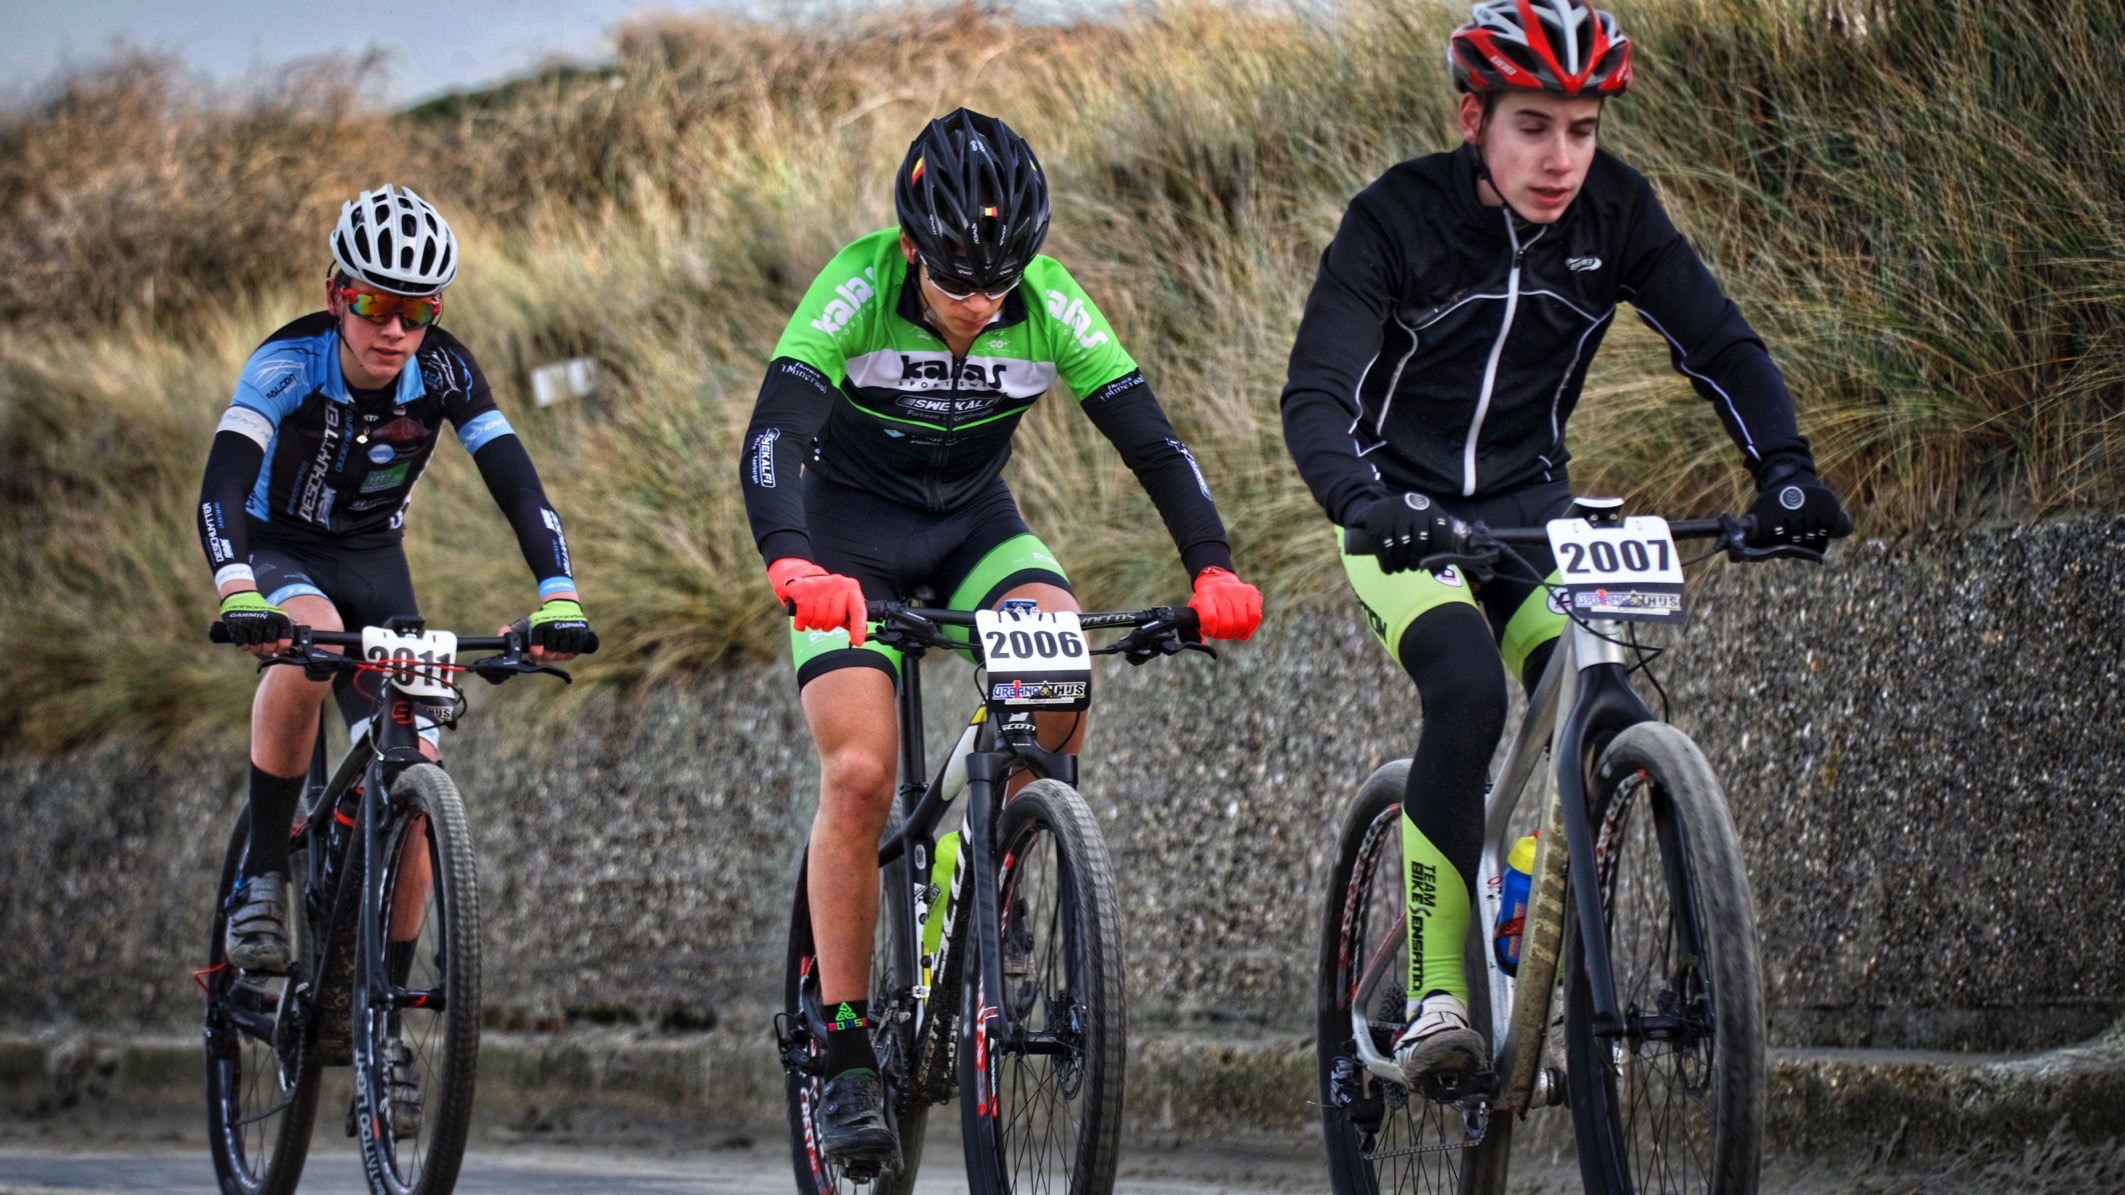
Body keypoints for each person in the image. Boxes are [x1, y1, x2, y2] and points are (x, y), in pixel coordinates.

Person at [1279, 0, 1847, 1084]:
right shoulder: (1395, 218)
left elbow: (1717, 342)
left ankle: (1584, 955)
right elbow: (1315, 394)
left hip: (1532, 508)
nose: (1559, 157)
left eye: (1581, 130)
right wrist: (1361, 497)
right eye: (1532, 125)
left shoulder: (1616, 214)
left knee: (1613, 712)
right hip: (1401, 515)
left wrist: (1784, 469)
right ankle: (1440, 991)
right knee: (1466, 689)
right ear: (1472, 118)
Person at [739, 109, 1263, 1164]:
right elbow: (774, 434)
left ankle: (1008, 862)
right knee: (858, 772)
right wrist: (794, 559)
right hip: (849, 540)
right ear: (909, 249)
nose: (981, 306)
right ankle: (842, 1051)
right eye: (956, 283)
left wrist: (1210, 562)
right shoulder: (856, 284)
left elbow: (1150, 439)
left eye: (1000, 283)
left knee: (1061, 663)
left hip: (976, 524)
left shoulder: (1047, 299)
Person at [198, 184, 596, 1131]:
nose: (393, 329)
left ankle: (382, 1024)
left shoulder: (446, 372)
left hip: (378, 566)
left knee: (418, 769)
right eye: (375, 304)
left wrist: (559, 594)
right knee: (304, 651)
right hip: (281, 551)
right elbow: (219, 484)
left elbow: (518, 484)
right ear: (338, 293)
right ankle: (263, 871)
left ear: (436, 315)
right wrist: (238, 590)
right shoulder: (286, 364)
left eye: (415, 310)